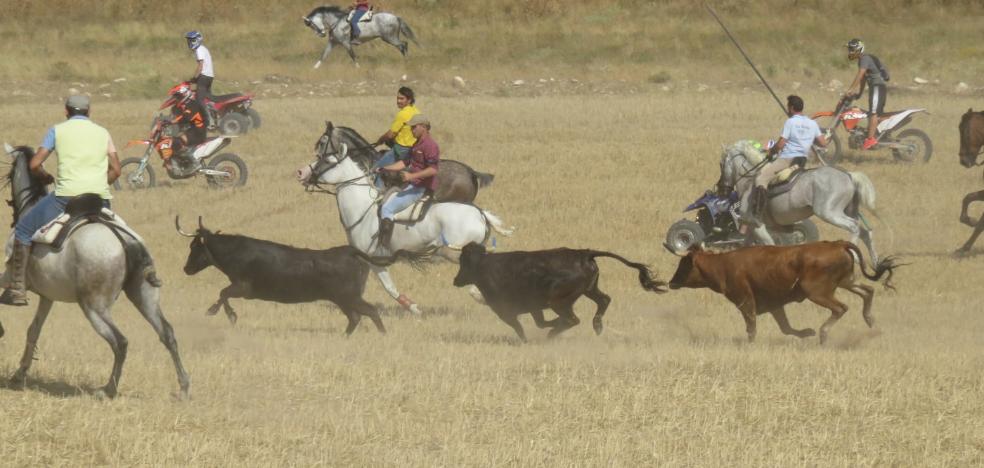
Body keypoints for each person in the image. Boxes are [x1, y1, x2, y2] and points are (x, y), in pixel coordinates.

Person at [0, 95, 121, 306]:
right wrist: (99, 184)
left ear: (66, 112)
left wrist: (45, 177)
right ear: (89, 112)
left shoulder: (57, 131)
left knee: (22, 230)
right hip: (99, 199)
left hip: (66, 197)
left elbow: (35, 164)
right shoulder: (103, 132)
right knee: (122, 232)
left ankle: (18, 288)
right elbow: (117, 170)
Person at [744, 95, 827, 227]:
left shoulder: (791, 122)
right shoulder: (812, 123)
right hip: (802, 161)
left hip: (787, 159)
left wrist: (771, 151)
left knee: (761, 178)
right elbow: (823, 143)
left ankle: (757, 215)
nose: (788, 109)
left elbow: (781, 144)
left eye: (788, 107)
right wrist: (810, 138)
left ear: (792, 108)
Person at [378, 115, 439, 247]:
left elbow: (433, 170)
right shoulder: (416, 144)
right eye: (411, 127)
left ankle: (383, 248)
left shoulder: (430, 146)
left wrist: (411, 176)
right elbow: (404, 162)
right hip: (412, 184)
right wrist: (384, 168)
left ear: (423, 127)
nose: (412, 130)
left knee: (387, 209)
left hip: (420, 188)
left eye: (414, 127)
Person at [372, 87, 420, 189]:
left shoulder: (402, 114)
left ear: (409, 100)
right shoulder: (416, 111)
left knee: (377, 169)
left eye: (402, 99)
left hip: (401, 150)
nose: (398, 101)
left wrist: (379, 141)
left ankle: (378, 193)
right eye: (398, 98)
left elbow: (390, 135)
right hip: (414, 149)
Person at [844, 38, 887, 150]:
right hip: (876, 88)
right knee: (875, 114)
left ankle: (870, 140)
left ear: (859, 49)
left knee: (873, 113)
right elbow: (863, 79)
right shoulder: (862, 60)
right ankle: (880, 135)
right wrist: (859, 93)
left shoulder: (864, 59)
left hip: (877, 87)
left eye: (852, 49)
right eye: (849, 49)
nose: (850, 52)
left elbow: (860, 74)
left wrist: (851, 89)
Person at [168, 83, 208, 168]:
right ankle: (182, 162)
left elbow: (185, 117)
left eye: (178, 96)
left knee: (179, 140)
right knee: (173, 140)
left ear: (184, 95)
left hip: (199, 132)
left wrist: (172, 121)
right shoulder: (186, 104)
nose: (176, 99)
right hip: (194, 130)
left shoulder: (192, 104)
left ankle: (194, 162)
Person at [185, 31, 215, 128]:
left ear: (197, 40)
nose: (189, 43)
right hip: (209, 76)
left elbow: (200, 66)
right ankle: (214, 116)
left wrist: (194, 78)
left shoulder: (199, 50)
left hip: (204, 76)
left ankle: (209, 121)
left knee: (199, 100)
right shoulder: (203, 49)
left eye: (191, 40)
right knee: (208, 99)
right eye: (189, 40)